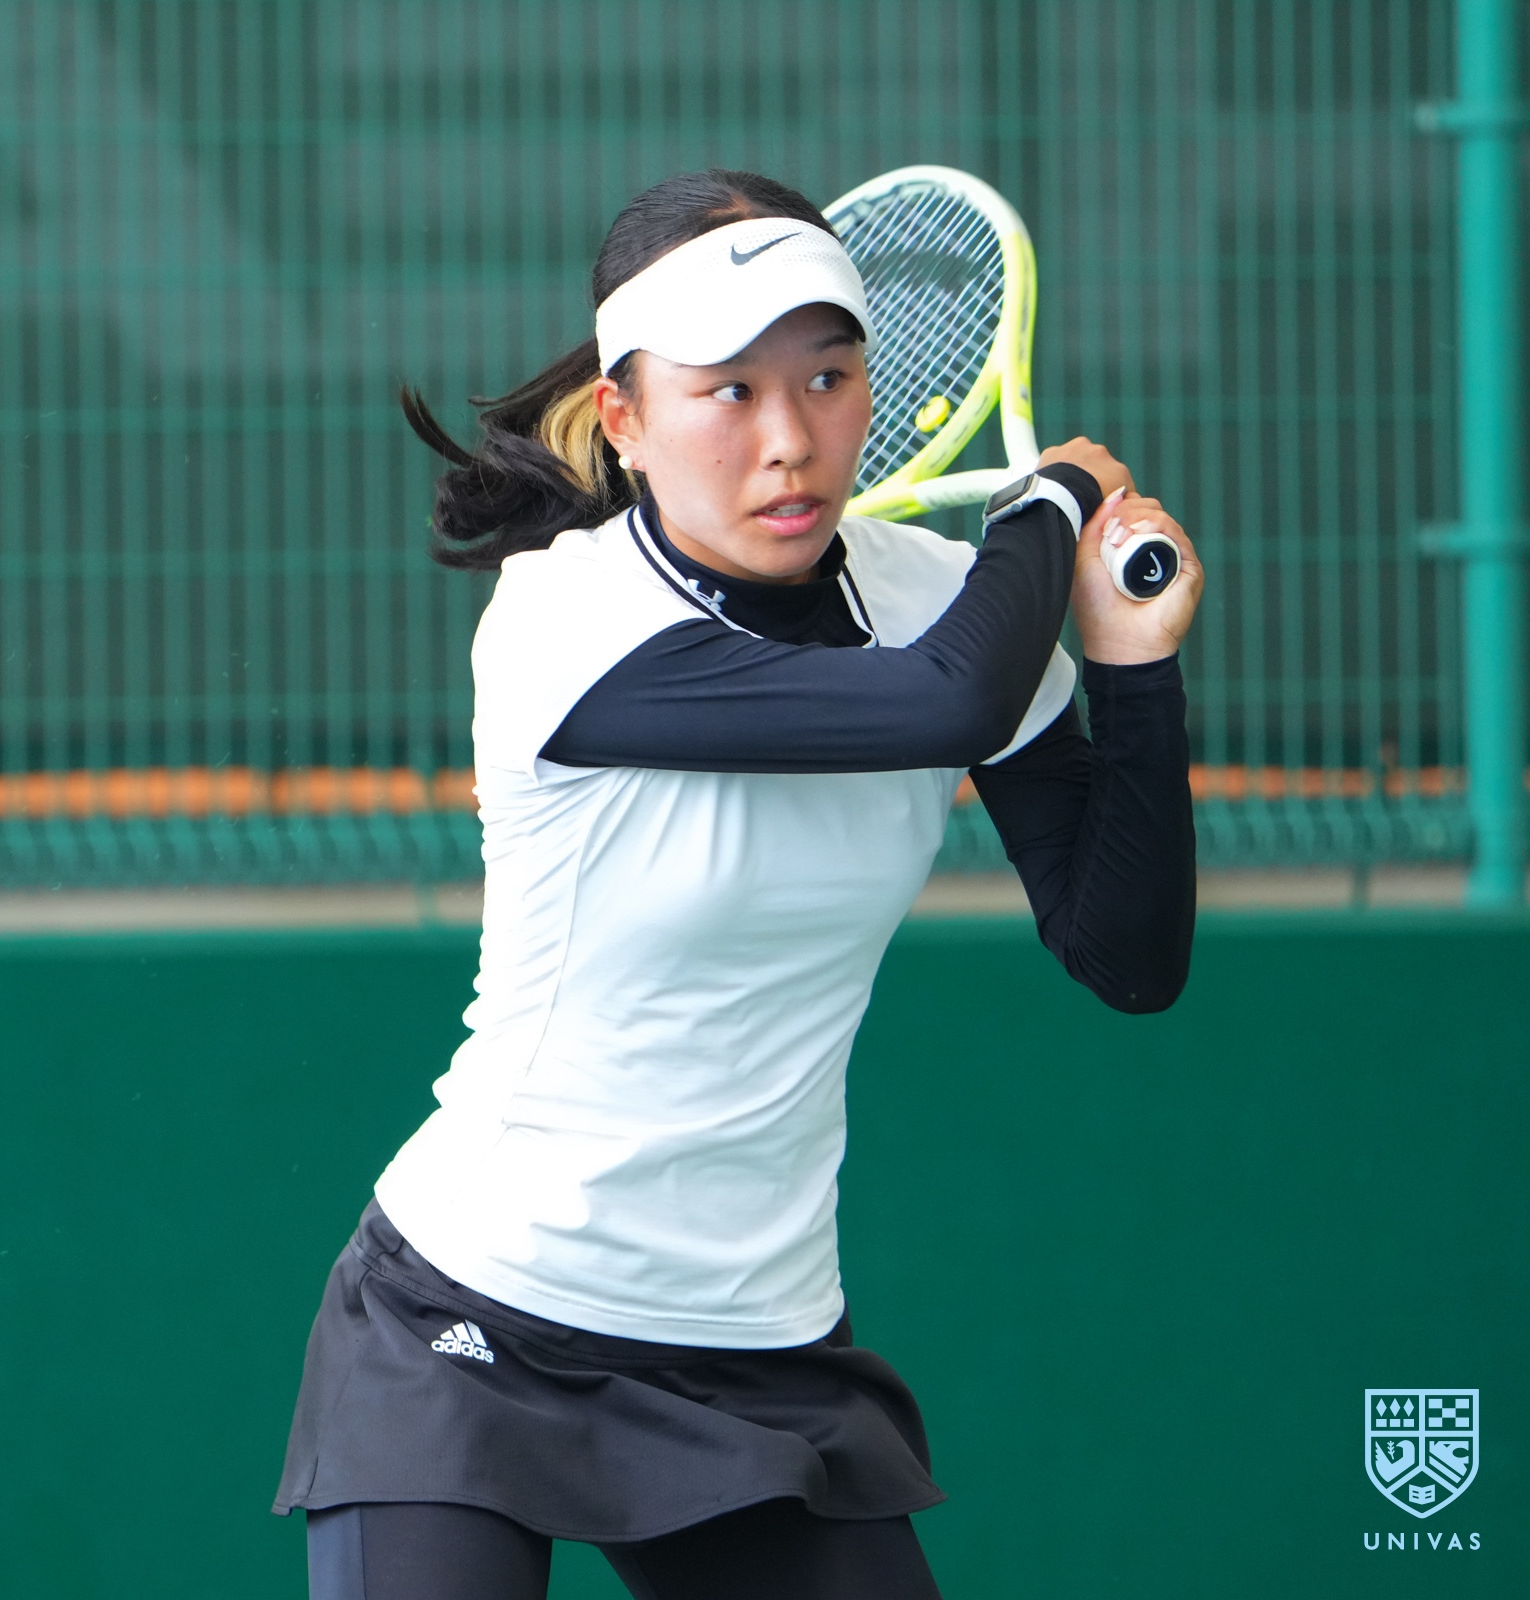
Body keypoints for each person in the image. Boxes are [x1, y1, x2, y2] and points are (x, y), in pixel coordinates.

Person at [273, 170, 1202, 1599]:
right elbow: (942, 705)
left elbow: (1126, 955)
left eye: (828, 378)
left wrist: (1135, 673)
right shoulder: (566, 617)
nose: (792, 440)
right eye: (730, 392)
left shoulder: (939, 599)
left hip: (757, 1350)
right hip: (471, 1321)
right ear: (625, 419)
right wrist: (1052, 503)